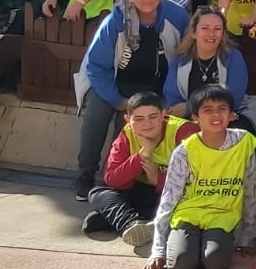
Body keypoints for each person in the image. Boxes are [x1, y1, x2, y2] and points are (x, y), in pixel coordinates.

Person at [76, 0, 192, 201]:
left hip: (154, 87)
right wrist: (118, 100)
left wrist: (169, 97)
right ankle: (85, 174)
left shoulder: (177, 16)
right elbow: (96, 66)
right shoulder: (115, 20)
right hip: (111, 81)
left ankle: (124, 180)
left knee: (133, 123)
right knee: (97, 115)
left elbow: (182, 58)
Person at [147, 85, 256, 269]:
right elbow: (169, 199)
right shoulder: (185, 151)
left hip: (222, 217)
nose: (216, 115)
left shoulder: (244, 144)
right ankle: (175, 242)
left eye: (222, 109)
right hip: (188, 215)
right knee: (181, 261)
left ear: (232, 114)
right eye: (207, 110)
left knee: (214, 260)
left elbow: (251, 192)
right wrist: (157, 249)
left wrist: (249, 237)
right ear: (195, 117)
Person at [83, 91, 199, 246]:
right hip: (138, 190)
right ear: (127, 120)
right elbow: (113, 180)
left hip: (173, 194)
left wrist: (157, 178)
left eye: (153, 117)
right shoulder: (127, 133)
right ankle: (131, 224)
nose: (147, 124)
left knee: (95, 220)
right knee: (98, 193)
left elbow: (196, 182)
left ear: (164, 114)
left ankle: (124, 219)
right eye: (138, 119)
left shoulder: (185, 132)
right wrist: (143, 154)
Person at [164, 7, 255, 133]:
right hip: (190, 118)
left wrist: (191, 107)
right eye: (205, 28)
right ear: (194, 32)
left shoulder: (233, 57)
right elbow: (173, 98)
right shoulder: (180, 60)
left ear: (223, 33)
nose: (211, 34)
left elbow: (234, 97)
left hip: (226, 115)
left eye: (217, 29)